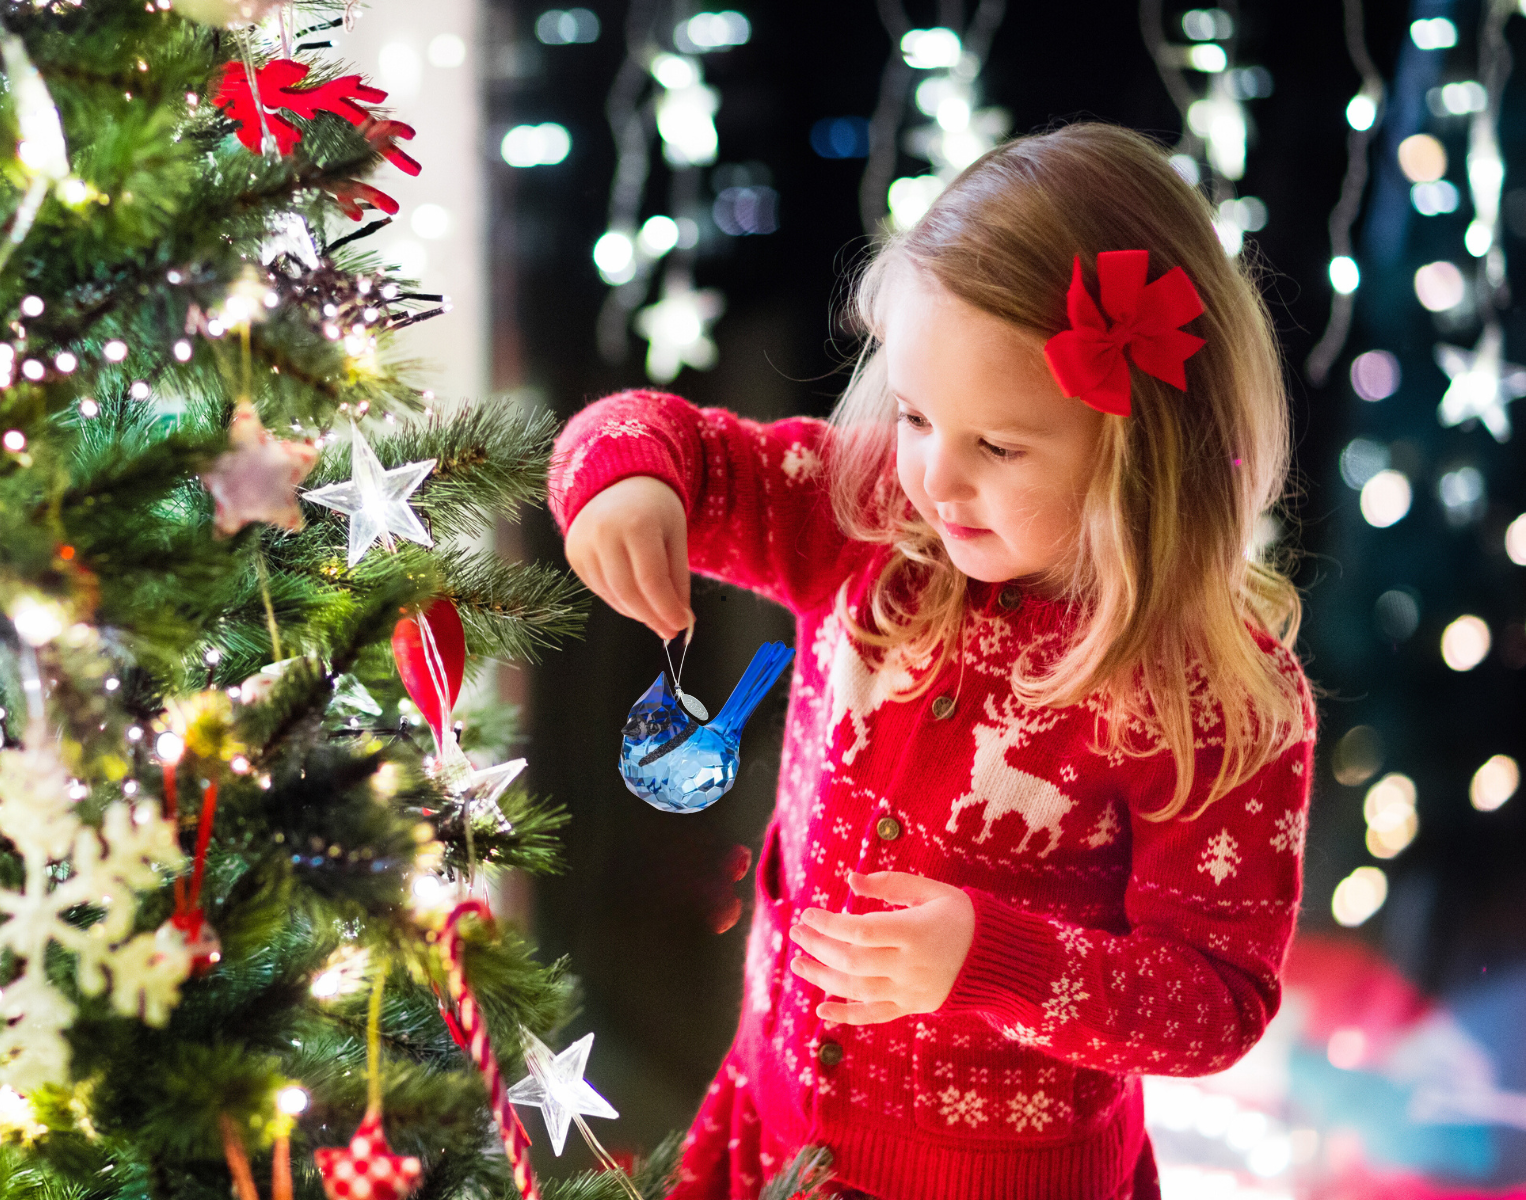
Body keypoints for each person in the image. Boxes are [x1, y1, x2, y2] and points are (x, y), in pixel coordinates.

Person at [547, 123, 1317, 1200]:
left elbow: (1217, 1002)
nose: (933, 479)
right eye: (912, 415)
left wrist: (992, 961)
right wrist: (630, 480)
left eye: (997, 447)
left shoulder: (1210, 700)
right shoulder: (866, 525)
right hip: (773, 1130)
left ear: (1140, 447)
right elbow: (665, 438)